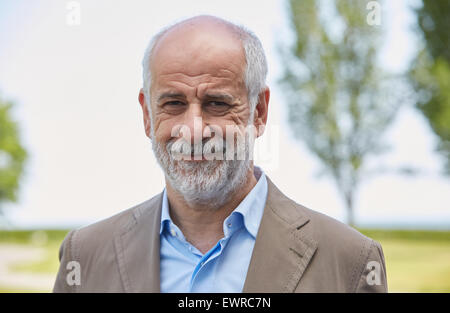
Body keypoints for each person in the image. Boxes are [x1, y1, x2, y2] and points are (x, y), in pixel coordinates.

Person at [53, 15, 387, 293]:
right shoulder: (83, 257)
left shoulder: (350, 262)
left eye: (217, 103)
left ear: (259, 111)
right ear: (147, 116)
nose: (194, 129)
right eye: (173, 104)